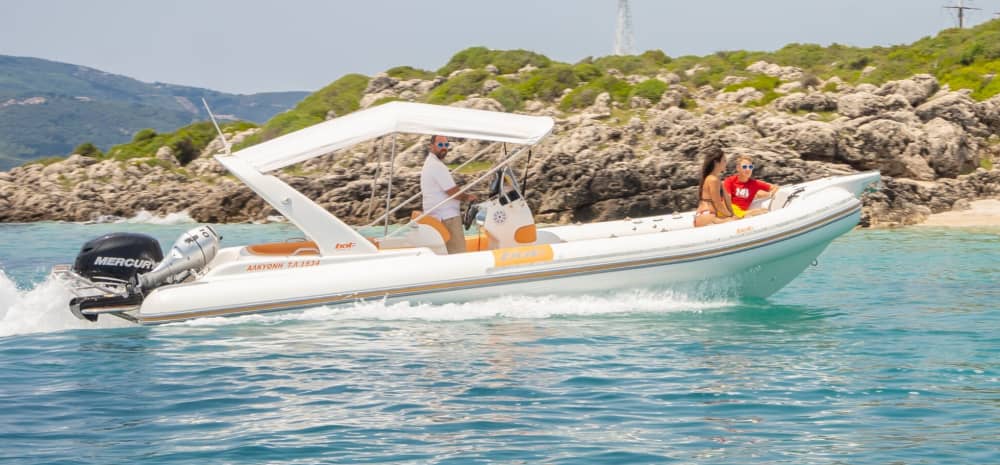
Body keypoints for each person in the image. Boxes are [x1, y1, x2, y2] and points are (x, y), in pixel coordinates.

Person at [420, 135, 476, 254]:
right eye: (440, 145)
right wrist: (468, 197)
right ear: (431, 146)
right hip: (447, 218)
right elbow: (452, 192)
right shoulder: (436, 166)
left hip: (439, 215)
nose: (444, 148)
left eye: (446, 145)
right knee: (458, 253)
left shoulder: (431, 163)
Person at [694, 148, 736, 228]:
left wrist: (732, 214)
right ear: (716, 162)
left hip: (706, 215)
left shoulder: (716, 179)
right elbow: (718, 204)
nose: (726, 163)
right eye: (724, 161)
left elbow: (727, 199)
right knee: (734, 220)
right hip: (707, 216)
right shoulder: (713, 180)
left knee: (736, 218)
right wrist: (730, 216)